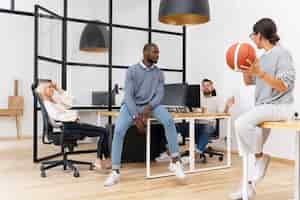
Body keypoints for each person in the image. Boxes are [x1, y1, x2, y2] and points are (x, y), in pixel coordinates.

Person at [230, 18, 296, 199]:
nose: (251, 39)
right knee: (248, 144)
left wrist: (260, 73)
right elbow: (249, 82)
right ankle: (247, 188)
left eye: (253, 35)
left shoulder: (282, 54)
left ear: (259, 35)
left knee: (241, 124)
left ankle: (261, 157)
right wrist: (244, 68)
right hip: (263, 107)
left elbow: (284, 86)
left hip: (280, 106)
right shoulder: (261, 58)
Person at [104, 43, 185, 187]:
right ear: (145, 53)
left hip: (151, 105)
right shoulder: (132, 71)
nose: (157, 55)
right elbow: (128, 96)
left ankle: (175, 161)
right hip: (131, 106)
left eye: (158, 52)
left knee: (168, 120)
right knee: (118, 131)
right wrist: (136, 117)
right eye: (155, 52)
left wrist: (149, 107)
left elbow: (159, 95)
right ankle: (115, 171)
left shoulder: (159, 73)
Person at [36, 80, 111, 171]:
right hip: (69, 127)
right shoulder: (48, 104)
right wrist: (73, 116)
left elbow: (71, 101)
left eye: (52, 87)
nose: (52, 89)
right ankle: (101, 160)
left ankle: (102, 159)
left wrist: (58, 89)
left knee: (104, 131)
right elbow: (56, 117)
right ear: (43, 91)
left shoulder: (55, 100)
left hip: (74, 125)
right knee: (104, 131)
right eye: (49, 87)